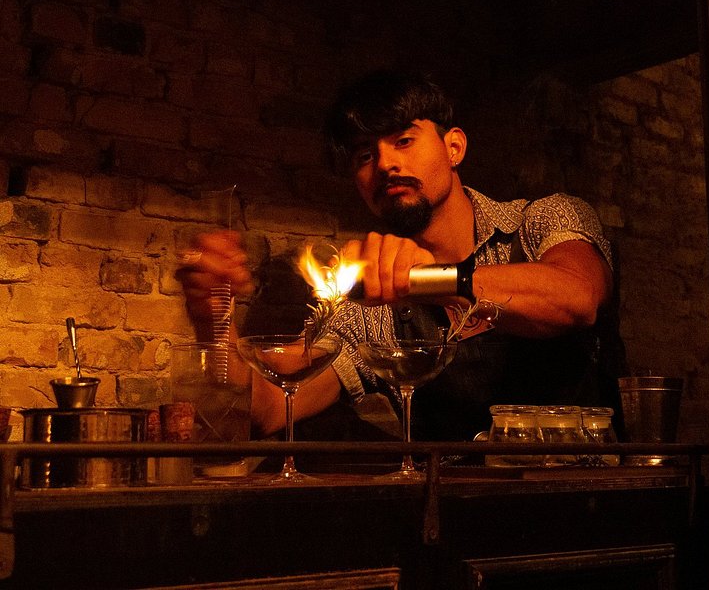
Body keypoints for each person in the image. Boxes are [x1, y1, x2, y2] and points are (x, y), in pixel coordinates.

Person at [177, 70, 625, 443]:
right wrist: (215, 321)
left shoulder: (543, 220)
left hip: (598, 506)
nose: (386, 164)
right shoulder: (373, 306)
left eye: (404, 141)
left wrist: (430, 280)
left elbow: (577, 296)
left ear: (454, 147)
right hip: (460, 515)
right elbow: (271, 407)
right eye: (365, 155)